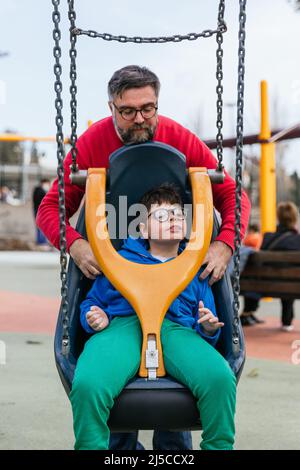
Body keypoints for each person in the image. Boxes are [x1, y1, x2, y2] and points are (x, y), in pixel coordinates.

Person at [36, 65, 250, 450]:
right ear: (111, 107)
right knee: (111, 408)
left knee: (180, 424)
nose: (139, 119)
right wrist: (75, 243)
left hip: (175, 290)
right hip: (115, 266)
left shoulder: (180, 139)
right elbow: (51, 207)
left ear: (157, 103)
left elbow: (232, 195)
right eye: (127, 111)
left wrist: (225, 244)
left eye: (148, 108)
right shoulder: (91, 143)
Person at [70, 183, 236, 450]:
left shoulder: (194, 267)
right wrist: (94, 316)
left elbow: (207, 318)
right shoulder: (118, 261)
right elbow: (92, 301)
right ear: (143, 229)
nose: (173, 219)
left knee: (220, 379)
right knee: (89, 383)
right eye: (161, 216)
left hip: (177, 330)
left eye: (179, 215)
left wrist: (207, 327)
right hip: (124, 326)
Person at [241, 202, 300, 331]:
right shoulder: (298, 239)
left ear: (278, 217)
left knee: (259, 274)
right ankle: (287, 321)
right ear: (295, 218)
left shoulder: (267, 237)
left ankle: (247, 312)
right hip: (293, 287)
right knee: (289, 279)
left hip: (264, 285)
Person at [239, 224, 264, 326]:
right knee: (255, 285)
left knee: (251, 284)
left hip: (247, 279)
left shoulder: (249, 238)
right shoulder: (259, 238)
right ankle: (248, 313)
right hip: (261, 281)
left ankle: (247, 313)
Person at [32, 179, 51, 246]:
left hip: (37, 210)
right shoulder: (40, 191)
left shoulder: (38, 190)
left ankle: (41, 241)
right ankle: (41, 242)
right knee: (42, 226)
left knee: (40, 226)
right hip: (39, 210)